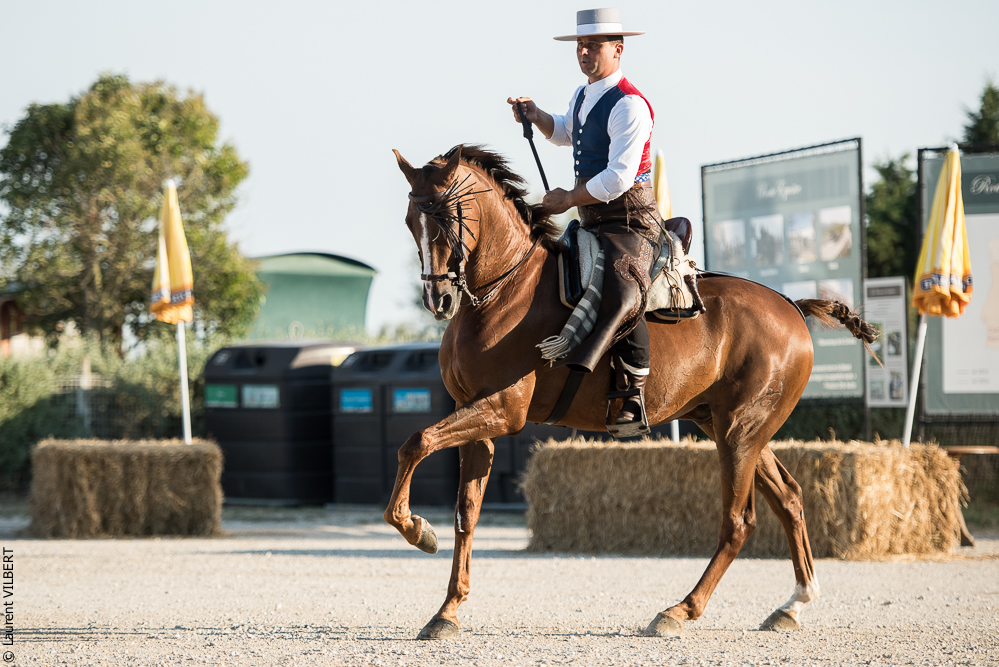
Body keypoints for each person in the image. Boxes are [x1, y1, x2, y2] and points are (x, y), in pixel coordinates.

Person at [508, 7, 664, 433]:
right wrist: (536, 115)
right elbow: (566, 133)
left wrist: (566, 199)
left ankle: (633, 391)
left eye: (592, 45)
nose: (584, 52)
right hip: (594, 219)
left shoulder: (630, 104)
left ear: (618, 49)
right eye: (580, 45)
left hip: (632, 221)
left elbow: (617, 178)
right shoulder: (582, 95)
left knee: (622, 284)